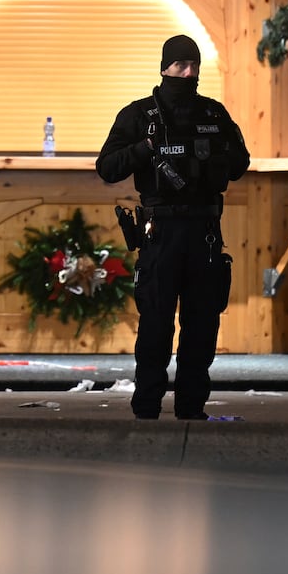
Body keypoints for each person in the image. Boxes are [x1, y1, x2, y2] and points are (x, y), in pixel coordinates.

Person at [96, 35, 249, 420]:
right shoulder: (139, 115)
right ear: (164, 67)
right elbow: (107, 167)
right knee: (156, 327)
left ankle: (191, 408)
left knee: (201, 326)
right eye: (180, 66)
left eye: (194, 66)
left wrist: (211, 160)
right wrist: (144, 150)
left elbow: (240, 162)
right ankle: (147, 407)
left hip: (205, 234)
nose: (189, 73)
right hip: (160, 234)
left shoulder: (213, 114)